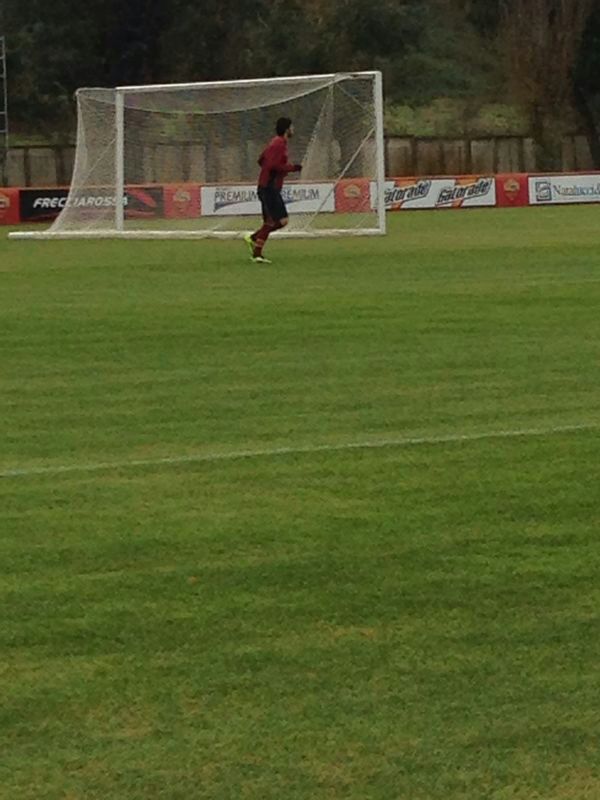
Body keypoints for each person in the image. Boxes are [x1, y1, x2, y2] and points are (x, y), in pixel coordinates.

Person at [244, 117, 302, 264]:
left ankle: (255, 238)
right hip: (268, 187)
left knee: (282, 221)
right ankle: (257, 254)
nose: (293, 130)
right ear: (287, 129)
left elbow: (261, 160)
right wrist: (291, 168)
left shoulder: (276, 142)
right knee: (271, 221)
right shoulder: (279, 144)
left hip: (271, 187)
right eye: (292, 127)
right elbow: (272, 165)